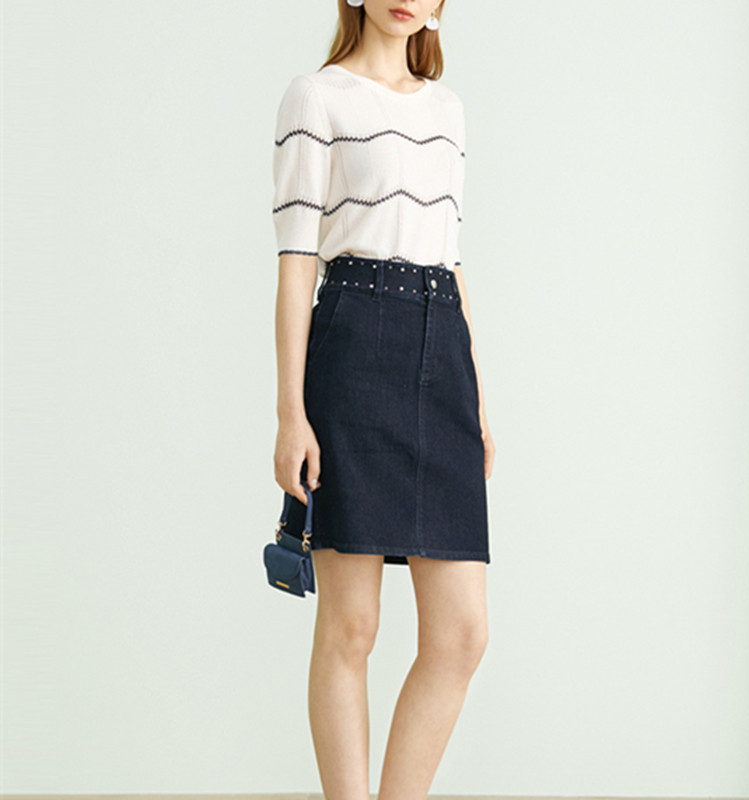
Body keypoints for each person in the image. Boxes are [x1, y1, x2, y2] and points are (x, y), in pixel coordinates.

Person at [271, 1, 496, 797]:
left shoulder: (447, 110)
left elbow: (451, 256)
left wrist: (476, 396)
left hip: (443, 352)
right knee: (352, 624)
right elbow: (297, 261)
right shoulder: (317, 96)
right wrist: (290, 413)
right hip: (354, 343)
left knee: (462, 633)